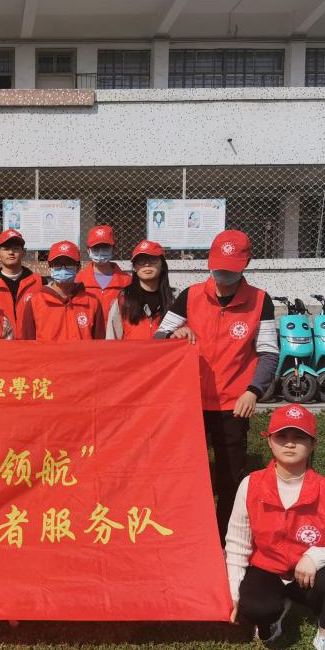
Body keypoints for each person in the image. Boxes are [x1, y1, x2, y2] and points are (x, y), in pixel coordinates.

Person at [154, 229, 278, 544]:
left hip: (233, 403)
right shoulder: (191, 295)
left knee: (230, 476)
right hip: (190, 400)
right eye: (217, 267)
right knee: (183, 472)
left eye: (230, 269)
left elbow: (268, 353)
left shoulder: (260, 301)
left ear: (246, 264)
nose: (222, 275)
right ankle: (182, 533)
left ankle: (224, 539)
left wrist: (253, 391)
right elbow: (157, 337)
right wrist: (173, 335)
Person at [227, 404, 325, 650]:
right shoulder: (250, 485)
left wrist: (316, 556)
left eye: (299, 437)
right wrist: (233, 592)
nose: (290, 443)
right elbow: (237, 543)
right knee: (255, 607)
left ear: (312, 444)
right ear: (269, 440)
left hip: (309, 575)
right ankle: (273, 617)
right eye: (282, 436)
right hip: (267, 568)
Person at [19, 241, 105, 341]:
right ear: (50, 267)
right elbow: (28, 343)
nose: (63, 269)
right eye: (57, 264)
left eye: (69, 264)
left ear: (78, 267)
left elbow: (99, 344)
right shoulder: (35, 302)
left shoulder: (92, 302)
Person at [106, 239, 174, 340]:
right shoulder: (123, 299)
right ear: (134, 267)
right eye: (141, 261)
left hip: (165, 351)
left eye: (152, 259)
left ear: (163, 265)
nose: (147, 264)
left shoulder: (174, 298)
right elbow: (112, 339)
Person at [0, 229, 42, 337]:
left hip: (31, 344)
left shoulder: (38, 283)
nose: (11, 252)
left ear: (24, 253)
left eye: (16, 248)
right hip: (1, 344)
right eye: (6, 249)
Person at [76, 225, 131, 322]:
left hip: (117, 331)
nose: (100, 252)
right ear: (88, 250)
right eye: (95, 248)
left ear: (113, 249)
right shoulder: (79, 280)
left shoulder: (127, 281)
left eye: (105, 248)